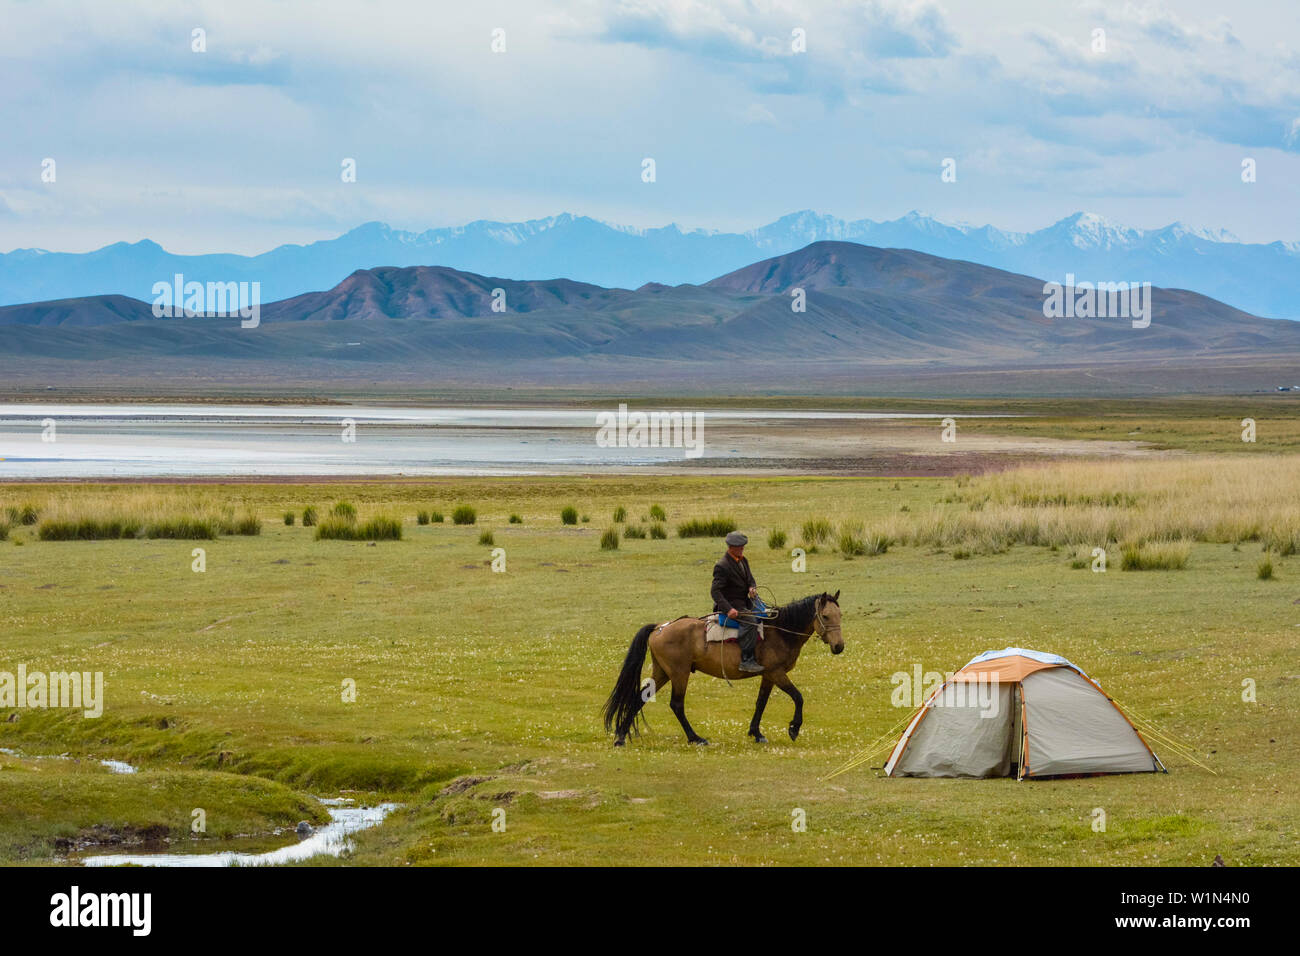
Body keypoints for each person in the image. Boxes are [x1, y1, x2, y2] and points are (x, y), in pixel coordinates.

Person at [711, 530, 764, 672]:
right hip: (732, 606)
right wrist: (728, 609)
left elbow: (750, 579)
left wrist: (752, 587)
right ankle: (746, 660)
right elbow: (715, 592)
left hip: (744, 602)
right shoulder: (722, 566)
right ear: (730, 548)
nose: (742, 549)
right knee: (751, 622)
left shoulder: (743, 560)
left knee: (768, 614)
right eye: (739, 547)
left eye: (743, 546)